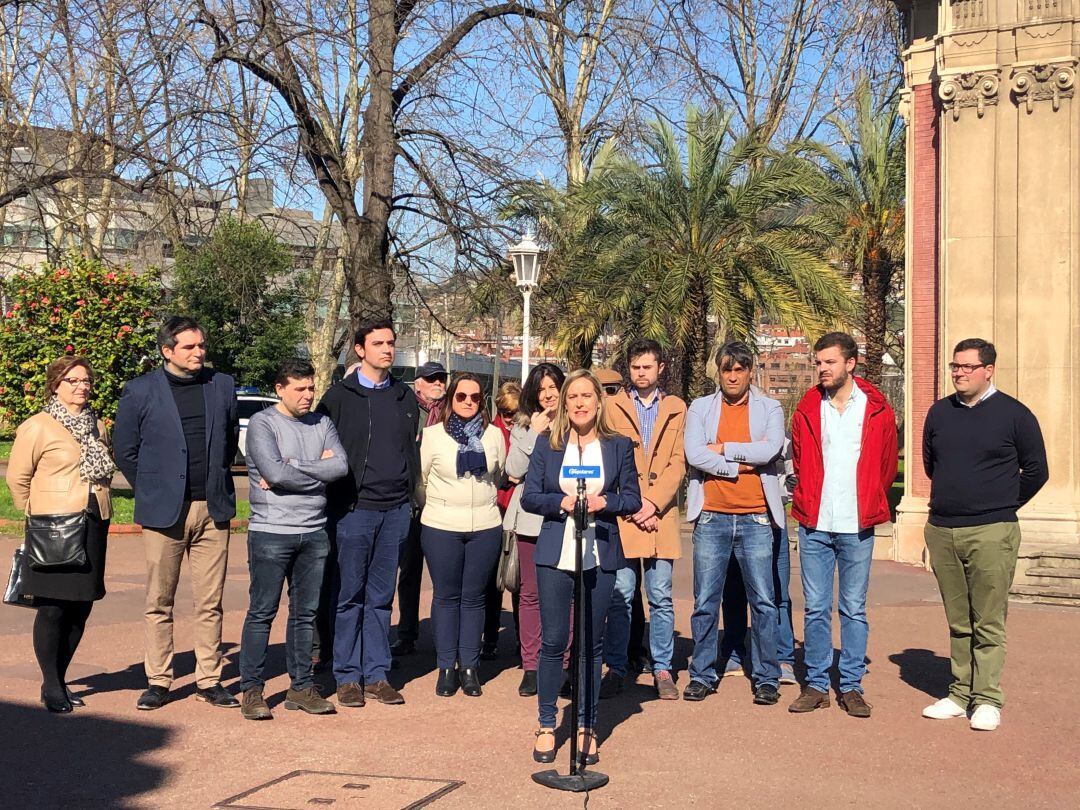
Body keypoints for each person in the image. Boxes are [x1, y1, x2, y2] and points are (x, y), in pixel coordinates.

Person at [921, 338, 1047, 732]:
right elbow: (930, 464)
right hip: (943, 529)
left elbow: (1037, 471)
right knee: (959, 620)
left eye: (967, 367)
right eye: (955, 366)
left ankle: (988, 698)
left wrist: (1000, 504)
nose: (959, 373)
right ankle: (960, 693)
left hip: (993, 530)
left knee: (988, 620)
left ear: (989, 369)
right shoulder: (939, 413)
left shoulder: (1014, 415)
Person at [114, 316, 240, 711]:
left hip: (212, 508)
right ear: (167, 351)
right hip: (163, 512)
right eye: (189, 346)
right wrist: (152, 488)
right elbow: (125, 450)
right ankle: (159, 680)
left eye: (201, 345)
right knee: (159, 600)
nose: (199, 352)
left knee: (210, 601)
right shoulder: (139, 390)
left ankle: (209, 679)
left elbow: (230, 438)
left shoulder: (222, 385)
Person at [521, 369, 641, 765]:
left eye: (587, 395)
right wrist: (561, 502)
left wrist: (607, 502)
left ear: (598, 401)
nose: (579, 403)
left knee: (591, 646)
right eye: (572, 396)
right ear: (564, 403)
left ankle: (587, 727)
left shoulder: (618, 446)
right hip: (557, 551)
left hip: (600, 552)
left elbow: (632, 499)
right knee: (555, 641)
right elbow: (530, 498)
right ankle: (545, 724)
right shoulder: (547, 444)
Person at [788, 332, 898, 718]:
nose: (822, 369)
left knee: (853, 608)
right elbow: (800, 461)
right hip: (815, 521)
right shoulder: (806, 408)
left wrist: (869, 497)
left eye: (829, 362)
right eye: (818, 362)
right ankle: (817, 684)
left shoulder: (877, 408)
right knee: (816, 608)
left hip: (856, 523)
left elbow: (886, 466)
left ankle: (850, 685)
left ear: (850, 363)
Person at [316, 318, 419, 708]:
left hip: (394, 510)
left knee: (381, 596)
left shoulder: (404, 397)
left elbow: (409, 449)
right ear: (360, 349)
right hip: (352, 511)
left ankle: (376, 673)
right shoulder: (339, 397)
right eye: (378, 343)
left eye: (391, 343)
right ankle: (346, 676)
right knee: (348, 596)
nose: (387, 349)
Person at [239, 358, 348, 720]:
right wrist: (315, 469)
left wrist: (295, 467)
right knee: (262, 613)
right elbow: (273, 472)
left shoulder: (323, 422)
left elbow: (341, 467)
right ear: (279, 389)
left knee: (306, 614)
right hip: (271, 531)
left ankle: (301, 687)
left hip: (314, 531)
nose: (307, 395)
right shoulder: (262, 423)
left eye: (311, 388)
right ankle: (251, 690)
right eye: (299, 389)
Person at [6, 356, 113, 713]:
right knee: (52, 608)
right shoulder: (38, 426)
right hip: (53, 525)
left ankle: (61, 678)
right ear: (56, 385)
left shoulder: (96, 425)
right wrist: (37, 513)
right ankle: (51, 684)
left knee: (81, 607)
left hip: (92, 521)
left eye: (86, 380)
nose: (81, 386)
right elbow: (17, 479)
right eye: (72, 380)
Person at [683, 342, 786, 706]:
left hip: (757, 516)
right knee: (705, 601)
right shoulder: (700, 407)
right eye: (727, 368)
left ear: (750, 371)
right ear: (718, 371)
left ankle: (767, 677)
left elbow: (771, 449)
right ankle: (702, 674)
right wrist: (741, 461)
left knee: (764, 602)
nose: (732, 375)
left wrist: (723, 450)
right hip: (711, 516)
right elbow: (694, 453)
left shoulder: (770, 407)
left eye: (740, 369)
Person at [602, 339, 687, 700]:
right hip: (624, 514)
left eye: (647, 367)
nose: (641, 373)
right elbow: (609, 460)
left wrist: (652, 503)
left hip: (661, 517)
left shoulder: (676, 407)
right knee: (620, 595)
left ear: (660, 368)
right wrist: (635, 505)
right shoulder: (611, 407)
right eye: (635, 367)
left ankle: (662, 668)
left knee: (661, 596)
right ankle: (616, 667)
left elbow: (679, 462)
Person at [416, 373, 507, 697]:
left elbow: (498, 476)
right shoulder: (432, 436)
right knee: (446, 596)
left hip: (484, 524)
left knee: (474, 598)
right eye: (462, 396)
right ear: (450, 399)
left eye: (475, 397)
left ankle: (469, 667)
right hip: (441, 525)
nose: (468, 402)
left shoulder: (494, 435)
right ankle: (445, 667)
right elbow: (421, 480)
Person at [714, 431, 798, 685]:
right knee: (733, 590)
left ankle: (783, 657)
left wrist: (778, 504)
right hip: (736, 520)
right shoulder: (730, 435)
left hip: (772, 523)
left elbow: (793, 479)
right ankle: (734, 652)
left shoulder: (781, 441)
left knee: (778, 592)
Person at [503, 363, 566, 697]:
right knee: (530, 595)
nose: (548, 394)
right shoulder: (525, 425)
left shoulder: (576, 423)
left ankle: (564, 663)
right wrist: (532, 433)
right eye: (541, 389)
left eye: (553, 386)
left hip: (566, 518)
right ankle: (531, 665)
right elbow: (513, 470)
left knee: (565, 594)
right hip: (529, 519)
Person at [392, 360, 449, 658]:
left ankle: (445, 638)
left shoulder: (452, 412)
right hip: (412, 503)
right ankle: (407, 633)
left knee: (444, 575)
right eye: (431, 379)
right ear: (419, 384)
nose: (438, 383)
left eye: (441, 378)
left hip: (443, 503)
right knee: (409, 571)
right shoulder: (407, 411)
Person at [484, 380, 521, 660]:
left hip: (519, 512)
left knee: (519, 580)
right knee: (493, 582)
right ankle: (490, 639)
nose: (509, 419)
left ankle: (524, 642)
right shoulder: (491, 432)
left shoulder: (525, 430)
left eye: (514, 413)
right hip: (496, 510)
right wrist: (506, 478)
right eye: (506, 413)